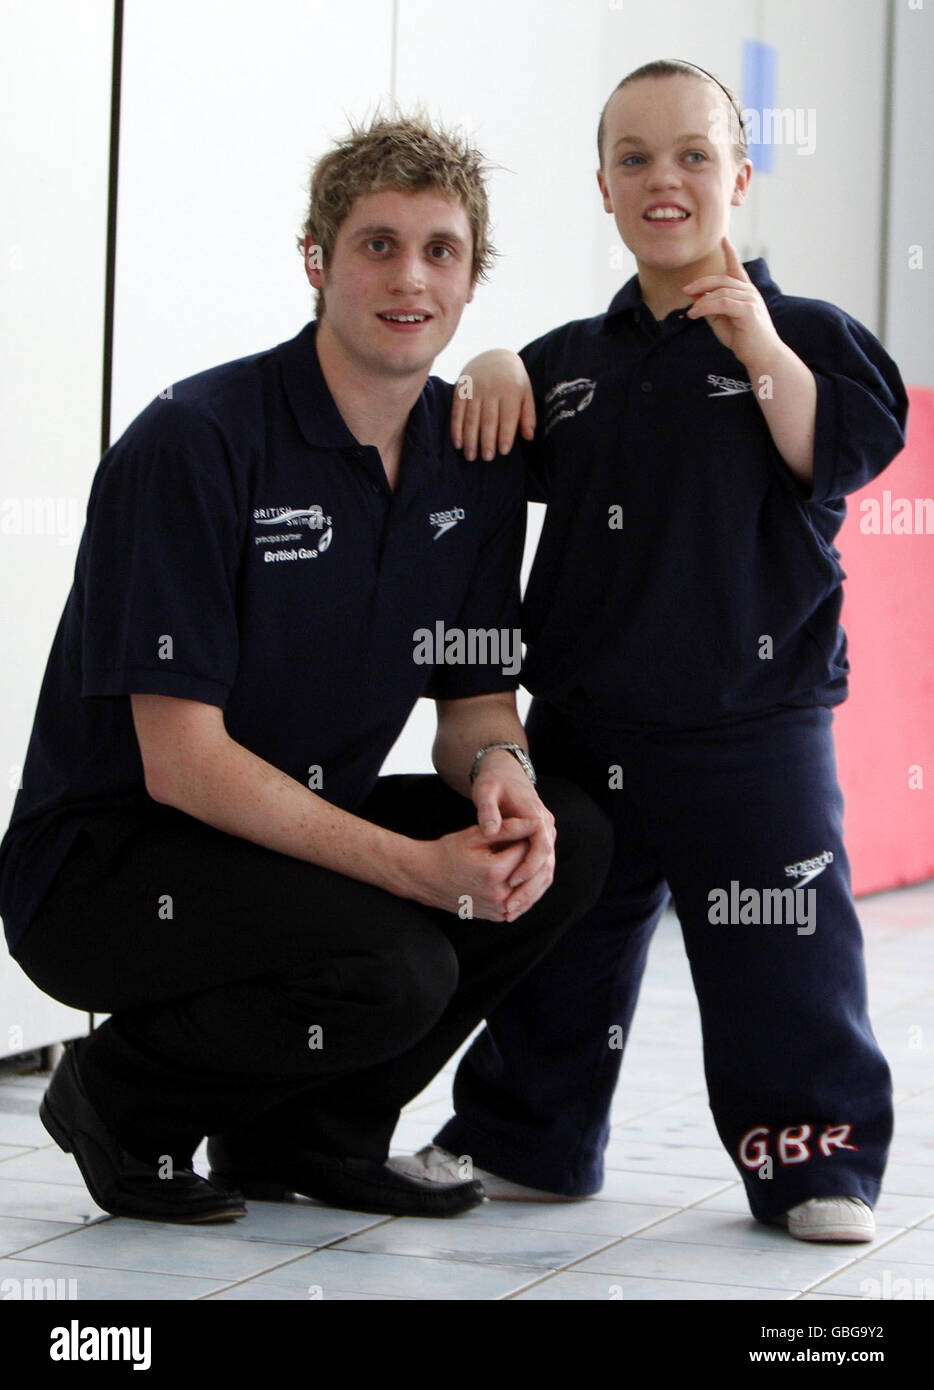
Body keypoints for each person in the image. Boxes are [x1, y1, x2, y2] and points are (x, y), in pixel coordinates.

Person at [0, 113, 614, 1225]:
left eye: (440, 250)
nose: (408, 276)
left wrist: (500, 776)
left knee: (565, 841)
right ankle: (117, 1100)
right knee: (397, 959)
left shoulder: (467, 463)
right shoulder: (196, 439)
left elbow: (473, 704)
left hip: (279, 834)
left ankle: (307, 1133)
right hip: (108, 861)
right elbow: (184, 764)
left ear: (473, 280)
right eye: (377, 243)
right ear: (317, 259)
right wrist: (418, 870)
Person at [394, 61, 909, 1243]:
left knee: (783, 955)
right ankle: (526, 1137)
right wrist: (489, 364)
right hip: (588, 726)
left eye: (690, 156)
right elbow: (484, 446)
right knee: (555, 947)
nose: (661, 179)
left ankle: (813, 1157)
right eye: (633, 159)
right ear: (603, 188)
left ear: (738, 176)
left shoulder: (813, 339)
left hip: (754, 727)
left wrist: (759, 343)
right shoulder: (573, 360)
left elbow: (826, 452)